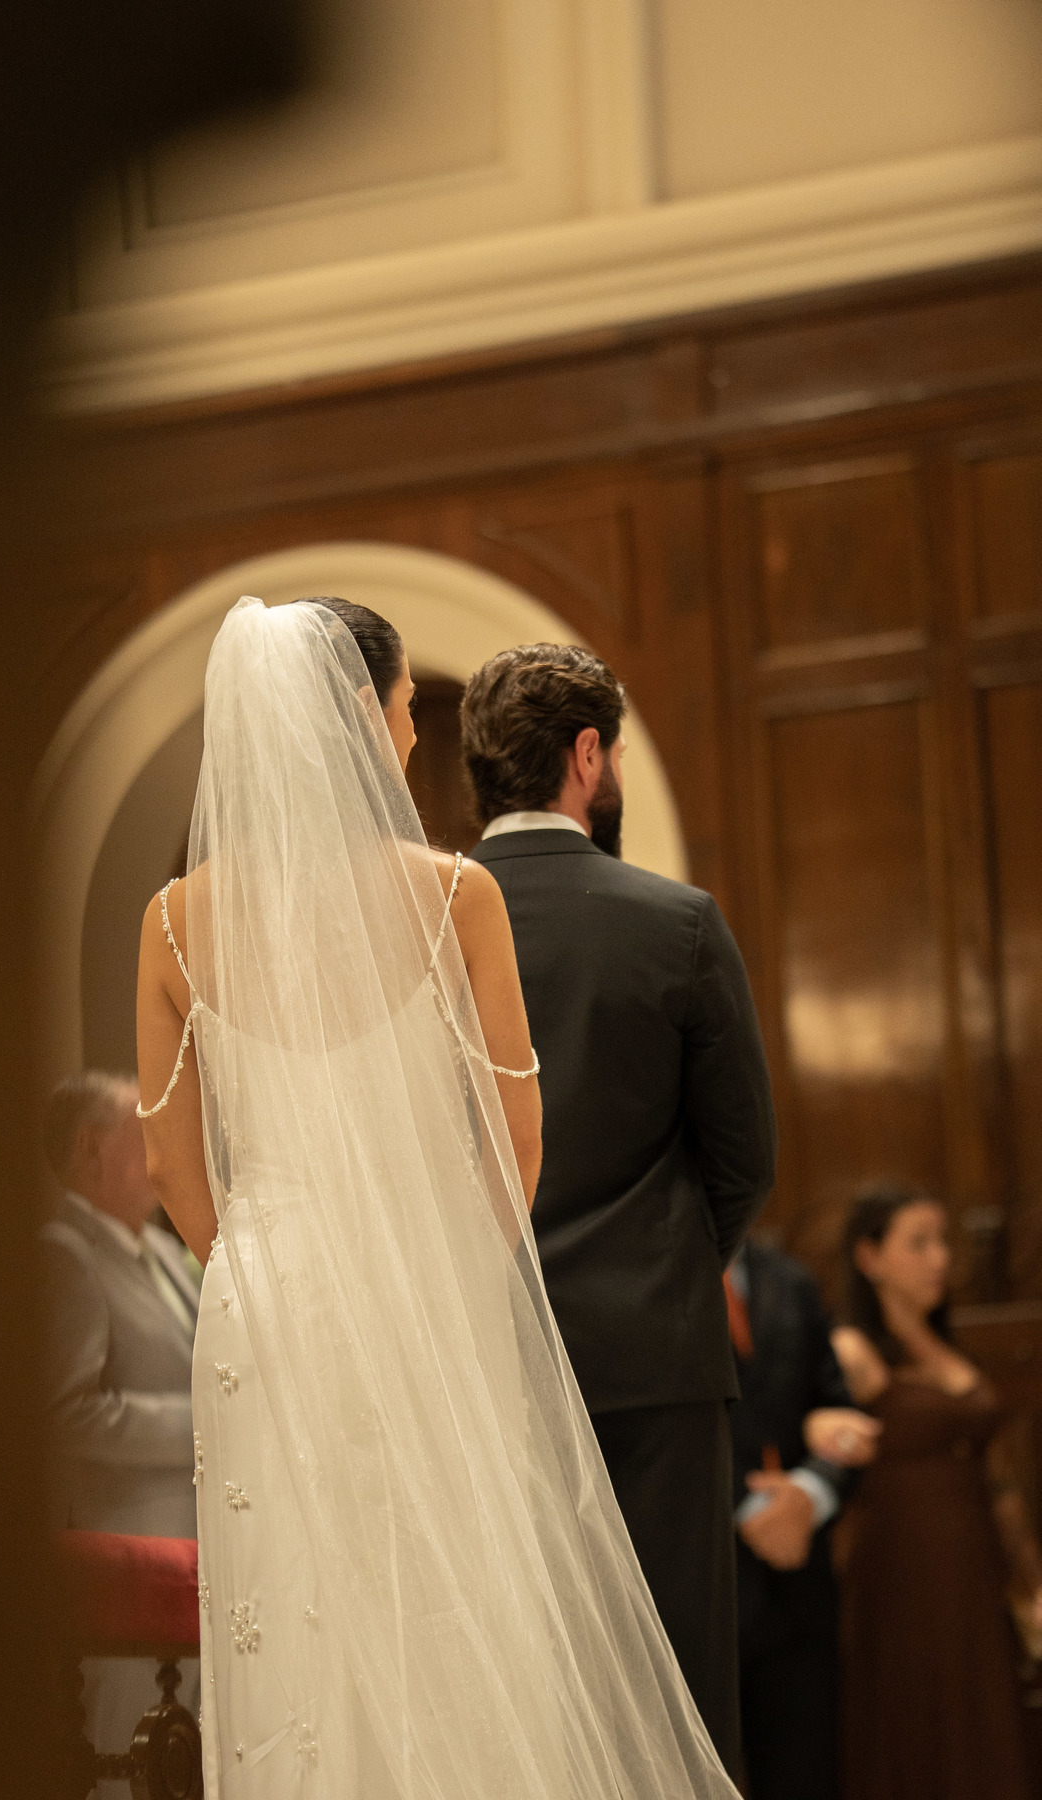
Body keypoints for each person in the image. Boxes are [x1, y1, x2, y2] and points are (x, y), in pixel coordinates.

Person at [135, 594, 741, 1799]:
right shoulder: (454, 895)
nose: (414, 732)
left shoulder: (171, 922)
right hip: (422, 1284)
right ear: (362, 714)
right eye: (409, 705)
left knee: (291, 1606)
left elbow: (167, 1166)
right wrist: (454, 1263)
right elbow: (513, 1135)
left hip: (262, 1299)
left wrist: (251, 1256)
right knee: (448, 1605)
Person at [460, 644, 777, 1774]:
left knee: (516, 1687)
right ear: (586, 756)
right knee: (676, 1694)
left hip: (477, 1363)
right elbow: (745, 1156)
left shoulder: (420, 929)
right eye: (621, 748)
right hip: (656, 1361)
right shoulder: (675, 922)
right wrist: (671, 1265)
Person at [832, 1184, 1042, 1800]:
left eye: (943, 1241)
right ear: (869, 1257)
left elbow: (999, 1477)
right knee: (919, 1719)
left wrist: (1029, 1575)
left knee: (985, 1714)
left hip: (977, 1566)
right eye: (918, 1243)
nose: (941, 1258)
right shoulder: (852, 1352)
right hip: (906, 1571)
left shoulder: (941, 1343)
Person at [40, 1070, 202, 1794]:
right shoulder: (65, 1252)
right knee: (129, 1751)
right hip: (127, 1553)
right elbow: (65, 1410)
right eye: (145, 1127)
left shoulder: (170, 1253)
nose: (165, 1142)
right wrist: (203, 1426)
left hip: (198, 1545)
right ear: (90, 1149)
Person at [725, 1237, 879, 1800]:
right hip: (700, 1587)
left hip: (801, 1586)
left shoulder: (788, 1279)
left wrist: (811, 1492)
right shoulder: (642, 1274)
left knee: (806, 1772)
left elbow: (839, 1409)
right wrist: (750, 1507)